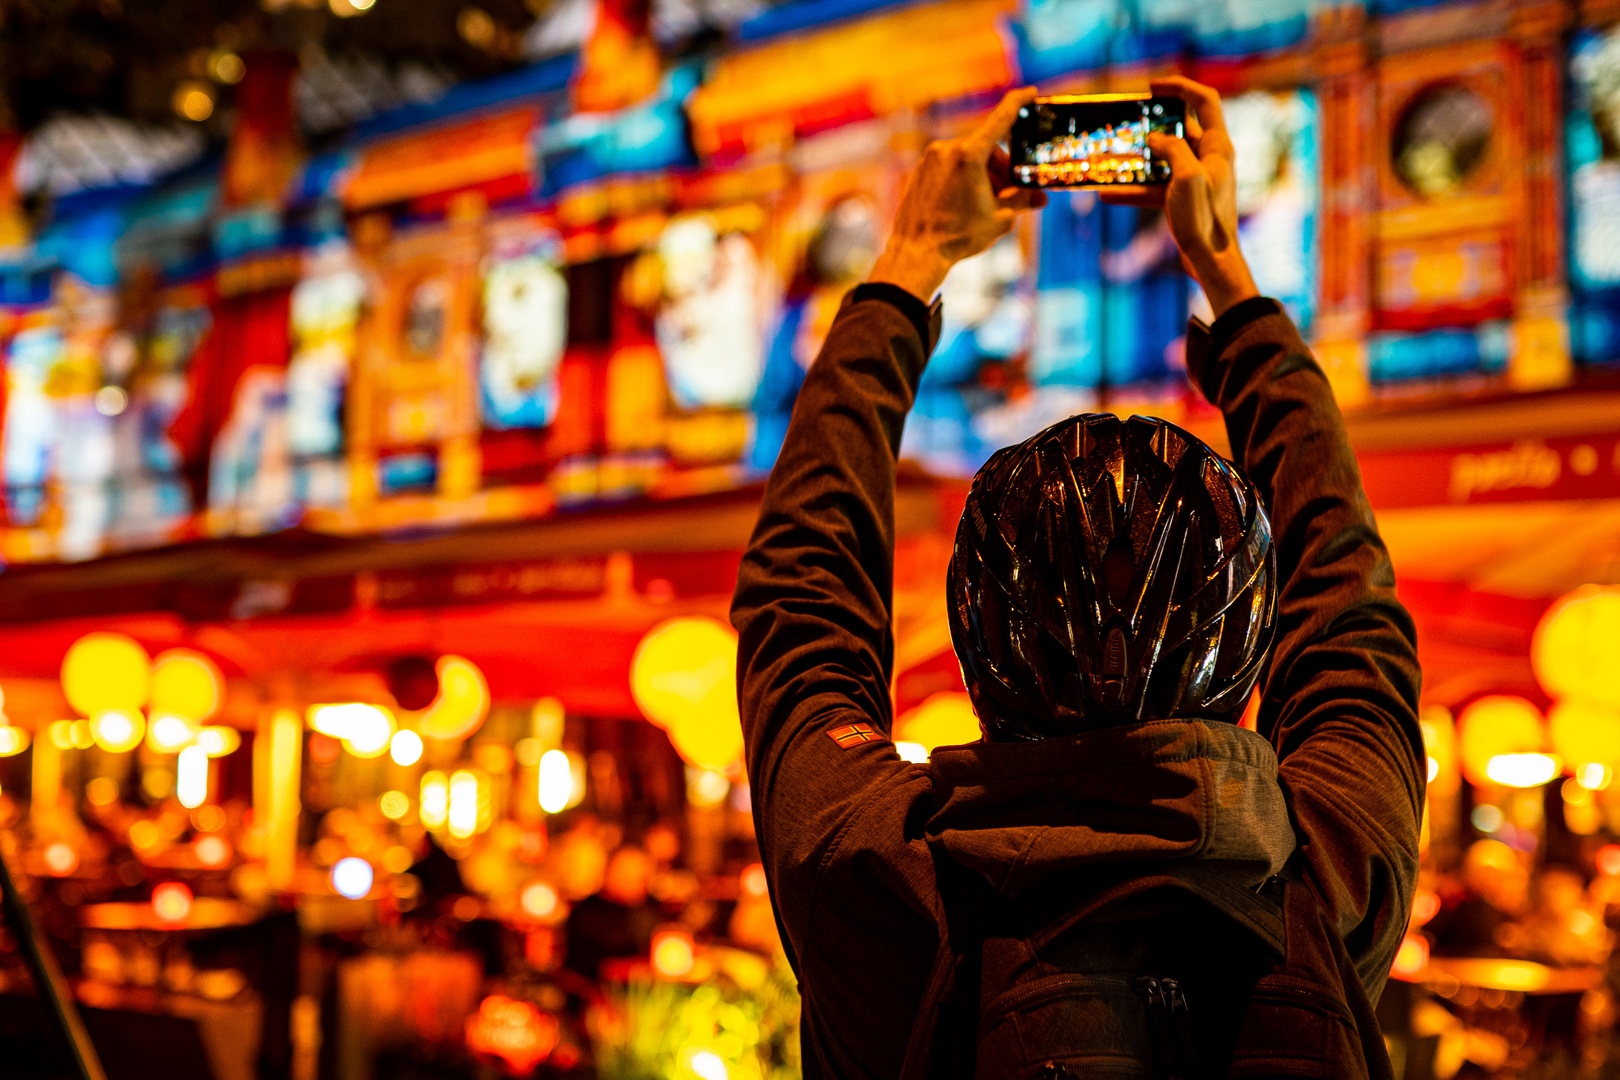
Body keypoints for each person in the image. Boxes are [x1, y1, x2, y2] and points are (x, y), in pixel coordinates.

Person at [732, 78, 1424, 1079]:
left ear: (974, 635)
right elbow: (1346, 590)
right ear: (1249, 633)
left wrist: (908, 264)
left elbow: (804, 592)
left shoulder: (874, 875)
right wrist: (1226, 269)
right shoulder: (1328, 866)